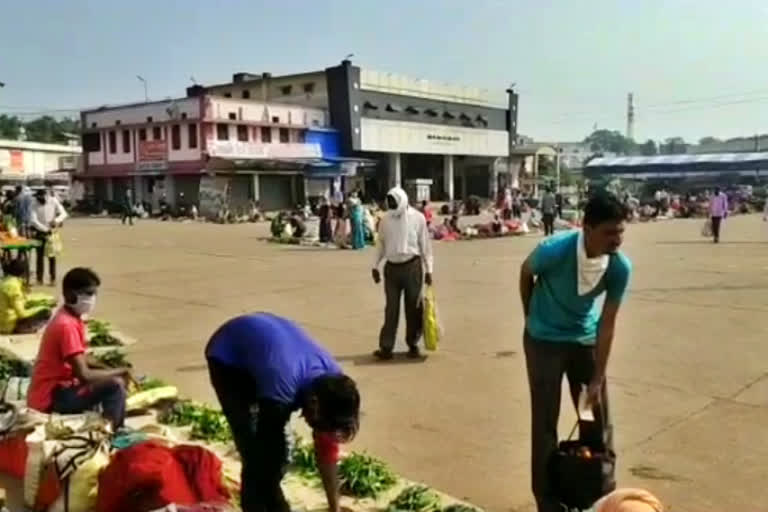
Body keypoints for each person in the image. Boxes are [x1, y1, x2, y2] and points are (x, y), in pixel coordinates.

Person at [519, 192, 631, 512]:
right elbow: (526, 272)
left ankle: (593, 488)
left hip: (583, 342)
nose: (617, 239)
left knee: (592, 417)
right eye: (609, 232)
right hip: (544, 344)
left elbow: (607, 323)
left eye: (621, 232)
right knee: (545, 421)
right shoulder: (554, 251)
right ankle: (547, 498)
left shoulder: (618, 268)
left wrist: (597, 377)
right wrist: (531, 316)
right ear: (587, 227)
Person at [205, 313, 360, 512]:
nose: (324, 431)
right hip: (229, 355)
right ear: (313, 404)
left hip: (269, 348)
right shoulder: (282, 386)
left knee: (273, 460)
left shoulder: (334, 388)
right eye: (322, 425)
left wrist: (334, 507)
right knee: (255, 451)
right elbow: (262, 453)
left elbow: (327, 452)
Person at [27, 268, 130, 429]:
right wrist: (120, 371)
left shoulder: (69, 317)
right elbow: (85, 375)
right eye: (88, 294)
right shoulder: (66, 325)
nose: (92, 299)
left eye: (94, 294)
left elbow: (79, 357)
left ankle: (111, 425)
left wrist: (108, 368)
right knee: (115, 386)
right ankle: (114, 433)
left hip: (58, 390)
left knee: (109, 380)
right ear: (70, 294)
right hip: (50, 398)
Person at [372, 187, 433, 360]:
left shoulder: (418, 218)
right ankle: (386, 347)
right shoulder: (385, 220)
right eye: (389, 201)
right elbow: (380, 244)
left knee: (413, 308)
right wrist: (374, 266)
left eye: (393, 201)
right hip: (391, 269)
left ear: (402, 200)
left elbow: (425, 246)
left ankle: (413, 344)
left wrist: (429, 270)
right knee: (391, 309)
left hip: (412, 266)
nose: (391, 205)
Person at [0, 258, 52, 334]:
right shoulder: (13, 286)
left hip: (3, 319)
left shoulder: (5, 281)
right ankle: (24, 329)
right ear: (23, 273)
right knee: (46, 311)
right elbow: (21, 313)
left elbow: (20, 301)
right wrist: (41, 307)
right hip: (8, 324)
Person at [30, 189, 67, 286]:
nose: (39, 199)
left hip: (52, 232)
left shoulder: (53, 201)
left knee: (52, 256)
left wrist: (56, 220)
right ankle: (39, 279)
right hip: (40, 232)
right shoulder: (34, 203)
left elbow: (64, 213)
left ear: (46, 196)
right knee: (39, 256)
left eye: (41, 197)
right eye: (38, 197)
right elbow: (33, 220)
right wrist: (45, 229)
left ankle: (52, 279)